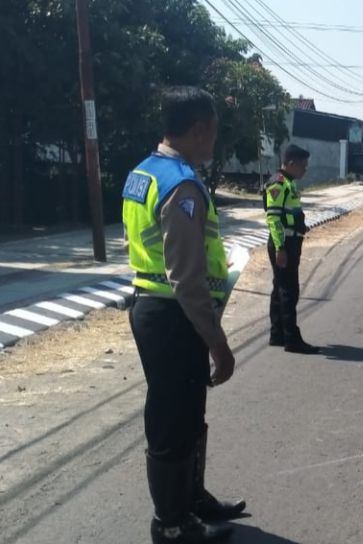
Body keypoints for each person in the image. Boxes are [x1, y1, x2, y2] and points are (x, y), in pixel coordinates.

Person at [123, 86, 244, 543]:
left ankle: (192, 502)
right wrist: (219, 343)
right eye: (213, 132)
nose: (214, 142)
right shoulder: (182, 184)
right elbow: (186, 277)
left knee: (188, 412)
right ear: (198, 130)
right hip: (175, 316)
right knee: (173, 422)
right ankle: (171, 525)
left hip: (155, 308)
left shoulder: (143, 173)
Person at [265, 144, 320, 354]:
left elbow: (290, 213)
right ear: (290, 163)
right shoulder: (278, 184)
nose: (305, 170)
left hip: (290, 242)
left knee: (280, 288)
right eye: (303, 166)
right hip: (284, 244)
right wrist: (280, 247)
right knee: (289, 291)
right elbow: (273, 218)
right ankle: (292, 339)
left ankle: (277, 334)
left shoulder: (288, 183)